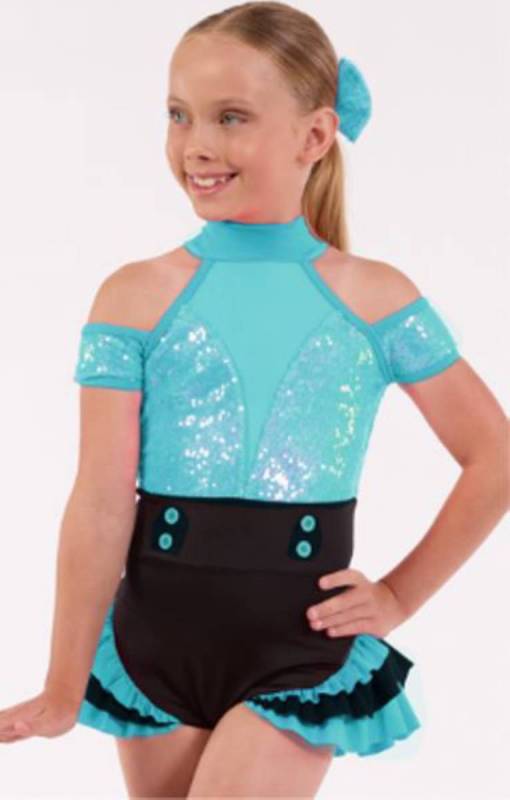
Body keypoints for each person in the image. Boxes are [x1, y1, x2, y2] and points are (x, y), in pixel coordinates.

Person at [1, 2, 508, 797]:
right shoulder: (133, 296)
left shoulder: (374, 298)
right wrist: (62, 687)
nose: (196, 144)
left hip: (297, 645)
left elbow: (495, 455)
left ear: (315, 135)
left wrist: (399, 595)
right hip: (156, 642)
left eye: (230, 117)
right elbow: (100, 500)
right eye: (178, 115)